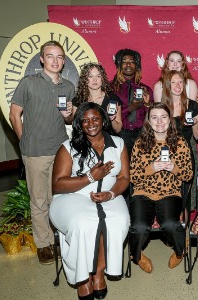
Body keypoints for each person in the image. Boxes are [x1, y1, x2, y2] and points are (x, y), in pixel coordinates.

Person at [50, 102, 130, 299]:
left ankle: (99, 273)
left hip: (110, 195)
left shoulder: (118, 143)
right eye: (85, 121)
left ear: (103, 120)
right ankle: (83, 277)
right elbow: (57, 184)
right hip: (72, 197)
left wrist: (110, 194)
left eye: (95, 118)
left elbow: (124, 178)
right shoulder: (68, 147)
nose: (91, 124)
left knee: (118, 221)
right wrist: (90, 177)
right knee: (84, 223)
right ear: (79, 124)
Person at [9, 40, 75, 265]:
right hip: (35, 151)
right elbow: (14, 114)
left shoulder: (67, 86)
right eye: (50, 56)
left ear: (64, 60)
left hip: (60, 149)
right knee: (39, 199)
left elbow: (68, 118)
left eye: (59, 57)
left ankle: (58, 237)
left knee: (58, 196)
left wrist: (69, 115)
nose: (55, 61)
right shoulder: (28, 83)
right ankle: (43, 244)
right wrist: (24, 140)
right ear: (41, 59)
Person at [129, 102, 193, 274]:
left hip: (170, 192)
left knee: (170, 224)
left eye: (163, 117)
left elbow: (188, 175)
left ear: (169, 120)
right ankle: (137, 256)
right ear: (148, 122)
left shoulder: (180, 143)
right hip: (143, 192)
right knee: (139, 227)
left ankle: (180, 252)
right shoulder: (140, 144)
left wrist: (174, 168)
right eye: (154, 117)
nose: (159, 121)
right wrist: (152, 168)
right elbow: (133, 177)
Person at [158, 70, 198, 215]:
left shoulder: (192, 105)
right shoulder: (160, 107)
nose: (178, 85)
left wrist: (195, 124)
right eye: (174, 82)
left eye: (181, 82)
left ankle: (185, 224)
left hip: (187, 151)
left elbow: (197, 135)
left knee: (186, 191)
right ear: (167, 85)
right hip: (165, 152)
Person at [111, 48, 153, 157]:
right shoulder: (111, 89)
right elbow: (107, 116)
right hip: (119, 135)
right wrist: (131, 107)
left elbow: (153, 116)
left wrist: (148, 105)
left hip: (141, 136)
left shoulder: (145, 89)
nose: (128, 65)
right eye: (124, 62)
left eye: (132, 62)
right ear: (119, 65)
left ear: (137, 65)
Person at [72, 62, 123, 133]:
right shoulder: (78, 100)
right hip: (84, 141)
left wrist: (112, 119)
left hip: (108, 141)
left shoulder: (113, 99)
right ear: (84, 79)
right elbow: (76, 127)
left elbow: (118, 129)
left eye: (98, 76)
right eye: (90, 76)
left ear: (102, 78)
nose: (95, 80)